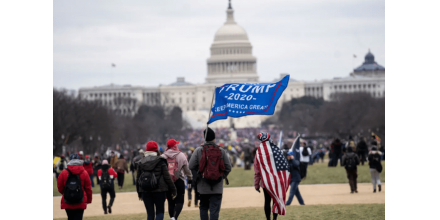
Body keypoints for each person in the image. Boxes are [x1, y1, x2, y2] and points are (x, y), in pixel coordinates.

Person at [188, 127, 232, 220]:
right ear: (214, 138)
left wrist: (199, 175)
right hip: (217, 186)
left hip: (203, 186)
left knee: (203, 208)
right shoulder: (221, 150)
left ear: (204, 138)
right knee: (214, 210)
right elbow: (228, 167)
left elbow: (191, 165)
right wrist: (221, 176)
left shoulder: (198, 150)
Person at [137, 141, 177, 220]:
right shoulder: (161, 161)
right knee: (160, 212)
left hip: (145, 190)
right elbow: (167, 177)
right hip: (160, 190)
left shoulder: (141, 162)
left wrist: (139, 193)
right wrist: (173, 189)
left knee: (150, 214)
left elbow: (138, 179)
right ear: (156, 149)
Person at [254, 132, 289, 220]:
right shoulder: (277, 150)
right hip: (277, 180)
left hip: (265, 181)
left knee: (267, 201)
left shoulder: (258, 153)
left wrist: (256, 184)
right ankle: (274, 219)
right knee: (276, 200)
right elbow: (283, 165)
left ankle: (268, 219)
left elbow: (257, 171)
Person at [162, 139, 193, 220]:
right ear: (174, 146)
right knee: (180, 201)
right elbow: (187, 169)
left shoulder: (163, 156)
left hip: (167, 181)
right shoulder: (181, 155)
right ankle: (174, 218)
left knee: (170, 201)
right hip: (179, 179)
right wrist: (190, 177)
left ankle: (172, 217)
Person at [57, 154, 92, 220]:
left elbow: (59, 187)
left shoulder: (63, 173)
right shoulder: (84, 172)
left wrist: (66, 193)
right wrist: (88, 200)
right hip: (80, 200)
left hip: (68, 200)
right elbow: (88, 188)